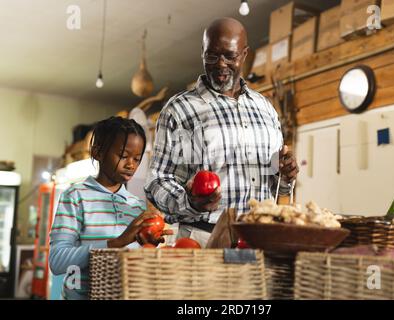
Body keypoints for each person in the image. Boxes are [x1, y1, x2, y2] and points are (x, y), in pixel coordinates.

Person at [145, 17, 299, 247]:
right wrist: (189, 201)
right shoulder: (179, 110)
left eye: (230, 55)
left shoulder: (265, 108)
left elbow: (276, 184)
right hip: (202, 239)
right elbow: (157, 180)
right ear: (203, 54)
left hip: (258, 240)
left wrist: (285, 175)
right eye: (212, 56)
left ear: (244, 54)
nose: (221, 64)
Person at [49, 116, 170, 300]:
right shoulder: (75, 197)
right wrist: (115, 243)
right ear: (98, 152)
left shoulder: (136, 206)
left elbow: (131, 265)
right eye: (123, 156)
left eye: (137, 159)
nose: (131, 164)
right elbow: (57, 261)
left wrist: (147, 245)